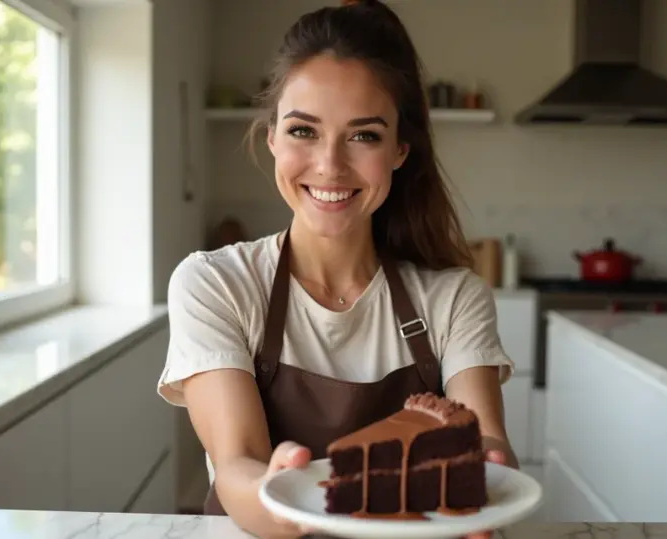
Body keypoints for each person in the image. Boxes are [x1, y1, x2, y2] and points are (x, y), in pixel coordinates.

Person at [157, 1, 518, 537]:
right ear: (272, 137)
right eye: (304, 131)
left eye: (364, 135)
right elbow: (237, 465)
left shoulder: (454, 299)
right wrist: (282, 499)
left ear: (399, 150)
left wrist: (485, 476)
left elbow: (483, 441)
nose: (329, 165)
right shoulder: (216, 284)